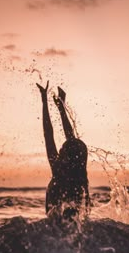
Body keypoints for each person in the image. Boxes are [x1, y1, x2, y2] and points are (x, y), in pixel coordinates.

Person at [36, 81, 90, 219]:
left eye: (62, 149)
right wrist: (61, 108)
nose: (60, 149)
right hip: (74, 212)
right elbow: (70, 138)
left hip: (53, 214)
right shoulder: (80, 177)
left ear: (65, 156)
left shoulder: (57, 168)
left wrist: (44, 101)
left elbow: (48, 133)